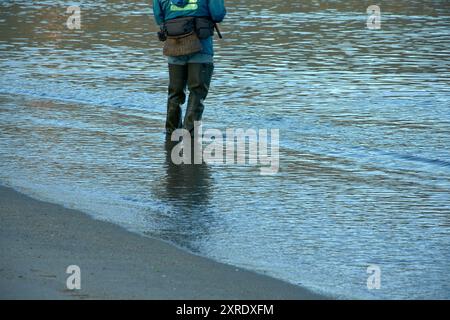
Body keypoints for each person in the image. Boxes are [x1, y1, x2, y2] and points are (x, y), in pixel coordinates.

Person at [152, 0, 226, 135]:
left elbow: (158, 17)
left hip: (174, 46)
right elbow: (218, 15)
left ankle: (171, 132)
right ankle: (190, 133)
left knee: (175, 93)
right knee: (197, 92)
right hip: (201, 48)